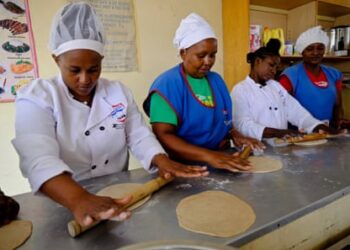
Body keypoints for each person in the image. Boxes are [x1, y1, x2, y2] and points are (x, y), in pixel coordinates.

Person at [12, 3, 208, 228]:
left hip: (119, 197)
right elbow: (38, 158)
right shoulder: (37, 97)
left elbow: (138, 135)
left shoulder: (118, 92)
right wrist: (78, 199)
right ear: (57, 60)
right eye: (74, 70)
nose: (85, 79)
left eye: (94, 69)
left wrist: (162, 160)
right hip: (64, 201)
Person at [143, 13, 264, 172]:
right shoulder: (167, 85)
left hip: (220, 160)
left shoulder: (216, 81)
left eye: (212, 55)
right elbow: (163, 135)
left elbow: (222, 120)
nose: (208, 62)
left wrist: (235, 134)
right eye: (201, 55)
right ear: (183, 53)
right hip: (182, 167)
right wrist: (209, 156)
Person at [231, 39, 335, 141]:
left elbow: (297, 112)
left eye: (276, 67)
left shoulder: (276, 87)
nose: (274, 71)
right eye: (271, 65)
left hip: (281, 147)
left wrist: (317, 126)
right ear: (258, 61)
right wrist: (278, 133)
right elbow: (242, 125)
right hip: (256, 148)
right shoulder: (240, 90)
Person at [280, 26, 350, 129]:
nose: (316, 53)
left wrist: (338, 126)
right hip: (299, 135)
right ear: (302, 51)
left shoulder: (334, 74)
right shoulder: (291, 75)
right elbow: (281, 108)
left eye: (320, 48)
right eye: (310, 49)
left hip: (327, 133)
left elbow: (338, 106)